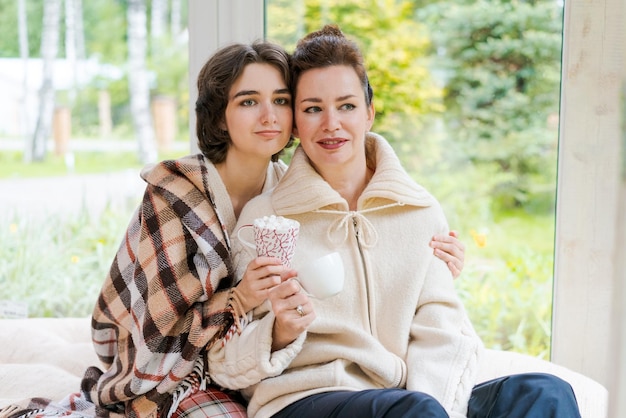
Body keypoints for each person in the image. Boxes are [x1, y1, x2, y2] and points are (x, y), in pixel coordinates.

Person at [0, 40, 465, 418]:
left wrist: (430, 264)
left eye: (281, 101)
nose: (270, 116)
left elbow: (361, 275)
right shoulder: (174, 196)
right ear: (220, 113)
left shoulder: (288, 194)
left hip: (255, 367)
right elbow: (157, 332)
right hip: (172, 370)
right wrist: (240, 299)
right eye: (249, 102)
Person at [207, 24, 582, 418]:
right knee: (412, 410)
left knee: (545, 392)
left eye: (347, 106)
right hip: (307, 399)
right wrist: (280, 332)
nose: (331, 123)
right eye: (313, 108)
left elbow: (442, 330)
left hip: (406, 398)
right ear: (296, 124)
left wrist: (441, 406)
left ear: (369, 112)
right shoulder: (266, 220)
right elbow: (226, 363)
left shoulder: (419, 211)